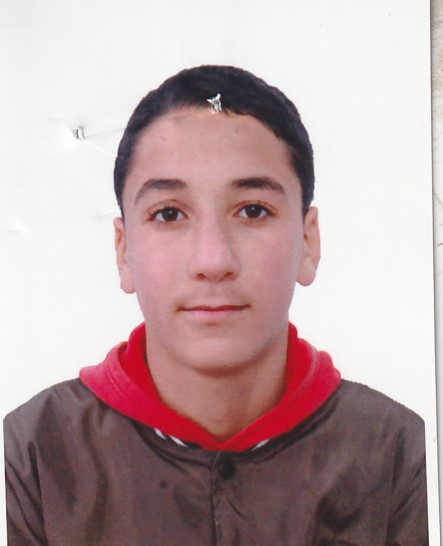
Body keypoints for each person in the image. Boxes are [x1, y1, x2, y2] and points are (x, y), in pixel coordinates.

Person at [4, 65, 428, 545]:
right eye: (169, 213)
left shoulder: (396, 448)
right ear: (123, 251)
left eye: (253, 210)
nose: (213, 261)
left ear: (308, 241)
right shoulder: (32, 452)